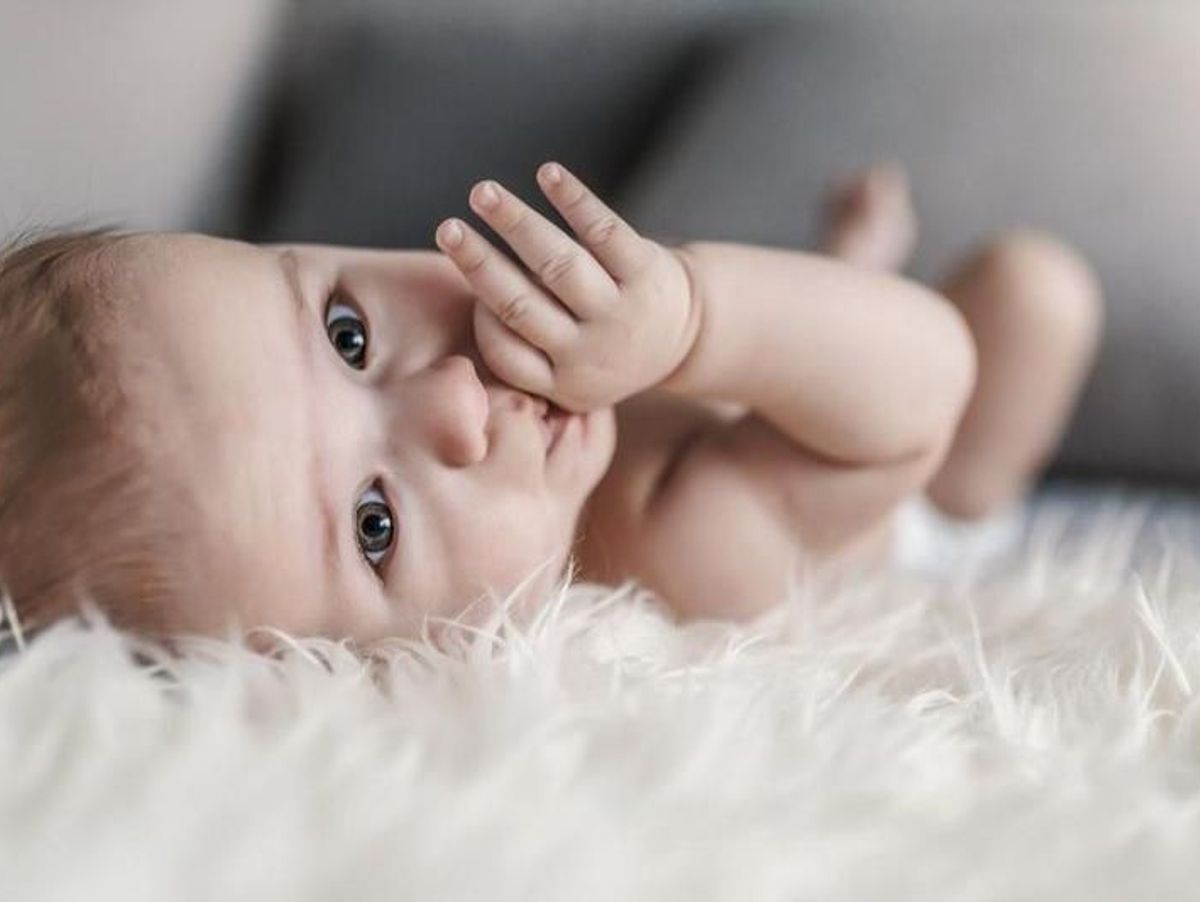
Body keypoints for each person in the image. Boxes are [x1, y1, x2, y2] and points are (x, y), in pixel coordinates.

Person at [0, 162, 1102, 645]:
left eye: (348, 333)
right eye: (374, 524)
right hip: (894, 493)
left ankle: (829, 283)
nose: (451, 399)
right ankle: (967, 476)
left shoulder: (528, 426)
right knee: (1031, 294)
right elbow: (930, 384)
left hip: (774, 421)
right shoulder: (676, 544)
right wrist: (698, 320)